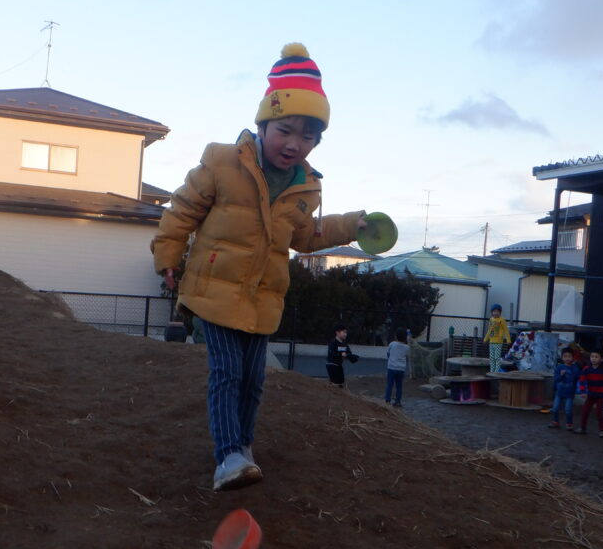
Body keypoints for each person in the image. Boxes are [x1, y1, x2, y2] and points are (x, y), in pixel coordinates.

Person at [151, 43, 367, 491]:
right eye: (284, 130)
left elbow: (304, 237)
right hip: (213, 290)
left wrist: (350, 226)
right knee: (227, 371)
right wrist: (168, 257)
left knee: (253, 379)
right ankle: (227, 455)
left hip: (263, 295)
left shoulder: (308, 186)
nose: (294, 144)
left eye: (307, 137)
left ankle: (241, 449)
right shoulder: (222, 161)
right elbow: (182, 211)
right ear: (263, 122)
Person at [576, 351, 603, 437]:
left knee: (599, 412)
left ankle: (602, 431)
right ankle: (582, 428)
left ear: (601, 359)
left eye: (596, 357)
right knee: (585, 411)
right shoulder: (586, 369)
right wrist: (582, 391)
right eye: (592, 356)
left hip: (601, 395)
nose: (594, 359)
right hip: (591, 394)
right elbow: (582, 380)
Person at [548, 347, 581, 430]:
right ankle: (555, 422)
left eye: (569, 356)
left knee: (568, 410)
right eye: (565, 356)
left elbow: (579, 377)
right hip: (559, 392)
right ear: (562, 357)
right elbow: (556, 379)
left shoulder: (575, 368)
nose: (567, 358)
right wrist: (561, 375)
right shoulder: (559, 367)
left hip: (569, 393)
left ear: (573, 357)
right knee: (555, 408)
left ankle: (569, 423)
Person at [385, 329, 410, 406]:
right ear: (405, 337)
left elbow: (388, 354)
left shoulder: (392, 344)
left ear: (396, 336)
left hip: (391, 367)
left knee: (389, 384)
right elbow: (407, 356)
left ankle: (387, 400)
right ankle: (398, 401)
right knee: (399, 385)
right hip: (401, 369)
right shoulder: (407, 347)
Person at [483, 304, 511, 373]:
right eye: (494, 311)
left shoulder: (502, 320)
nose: (495, 313)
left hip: (498, 342)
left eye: (497, 311)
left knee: (497, 357)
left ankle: (496, 371)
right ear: (492, 312)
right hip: (491, 341)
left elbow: (506, 330)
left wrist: (508, 339)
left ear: (500, 312)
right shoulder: (491, 320)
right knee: (492, 358)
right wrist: (485, 339)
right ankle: (492, 371)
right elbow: (489, 330)